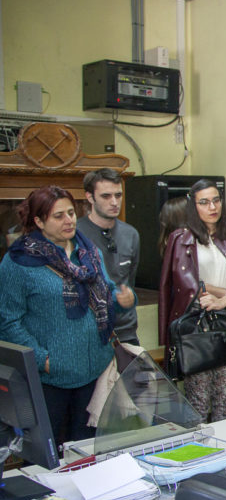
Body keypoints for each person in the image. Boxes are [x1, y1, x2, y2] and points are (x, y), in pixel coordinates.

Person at [0, 185, 134, 444]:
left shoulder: (88, 251)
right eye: (58, 216)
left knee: (89, 451)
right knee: (47, 457)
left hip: (95, 371)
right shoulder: (19, 262)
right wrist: (42, 359)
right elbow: (7, 320)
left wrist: (123, 300)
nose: (69, 220)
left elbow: (106, 294)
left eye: (71, 213)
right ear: (39, 221)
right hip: (50, 379)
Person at [158, 180, 226, 422]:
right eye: (204, 202)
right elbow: (179, 285)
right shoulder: (181, 239)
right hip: (197, 322)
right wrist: (214, 293)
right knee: (197, 395)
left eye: (216, 200)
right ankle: (199, 452)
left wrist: (225, 298)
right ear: (193, 205)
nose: (212, 207)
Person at [77, 168, 141, 345]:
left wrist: (128, 296)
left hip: (126, 332)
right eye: (106, 196)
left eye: (118, 195)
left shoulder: (131, 234)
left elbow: (130, 279)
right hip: (90, 334)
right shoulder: (75, 233)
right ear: (90, 197)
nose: (114, 202)